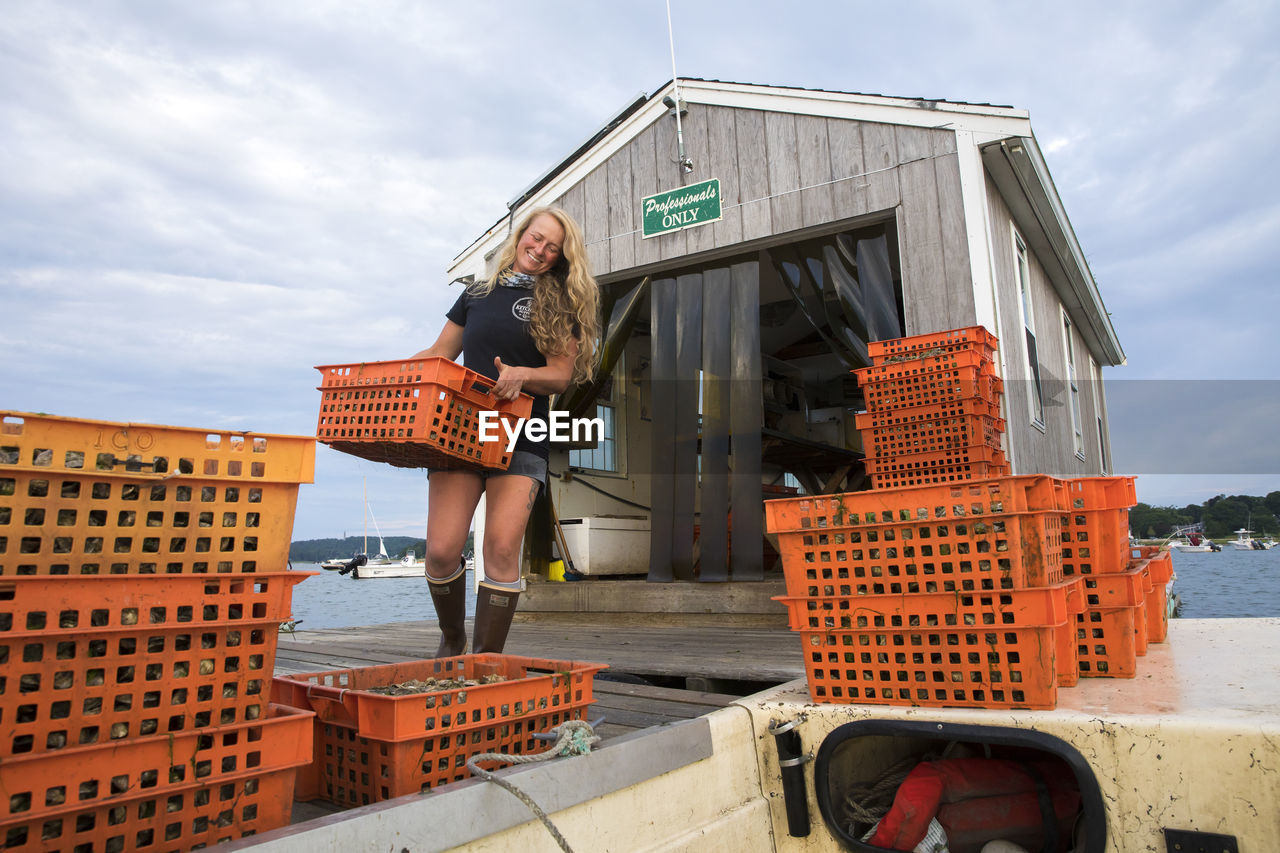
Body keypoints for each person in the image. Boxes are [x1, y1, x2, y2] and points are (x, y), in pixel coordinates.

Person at [413, 206, 599, 656]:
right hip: (460, 431)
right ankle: (453, 639)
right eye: (535, 239)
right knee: (440, 550)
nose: (539, 250)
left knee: (499, 548)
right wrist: (391, 375)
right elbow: (440, 352)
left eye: (552, 247)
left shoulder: (561, 302)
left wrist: (521, 375)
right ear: (520, 236)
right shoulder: (477, 293)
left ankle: (484, 661)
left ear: (561, 257)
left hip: (522, 431)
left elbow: (558, 376)